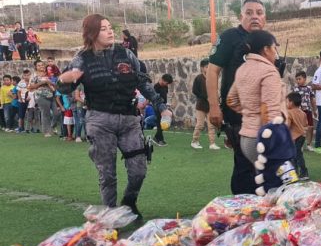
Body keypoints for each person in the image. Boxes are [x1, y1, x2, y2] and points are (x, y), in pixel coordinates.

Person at [58, 13, 171, 218]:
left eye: (110, 27)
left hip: (129, 119)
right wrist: (63, 79)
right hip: (100, 120)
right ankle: (110, 214)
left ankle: (129, 201)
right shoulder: (81, 59)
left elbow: (143, 82)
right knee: (107, 173)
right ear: (91, 33)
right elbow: (65, 88)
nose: (110, 31)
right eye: (103, 28)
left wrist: (161, 106)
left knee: (139, 170)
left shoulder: (126, 54)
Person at [207, 0, 267, 195]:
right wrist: (214, 107)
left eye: (259, 12)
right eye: (249, 13)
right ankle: (242, 212)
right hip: (239, 115)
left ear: (264, 17)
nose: (255, 17)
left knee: (262, 165)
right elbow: (212, 71)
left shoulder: (266, 42)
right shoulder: (230, 37)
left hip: (264, 115)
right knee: (245, 166)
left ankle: (258, 210)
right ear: (241, 16)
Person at [226, 30, 286, 167]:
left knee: (261, 182)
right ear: (266, 49)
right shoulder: (269, 71)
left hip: (246, 138)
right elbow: (269, 112)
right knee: (277, 185)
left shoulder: (242, 69)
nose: (275, 52)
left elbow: (231, 100)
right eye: (274, 48)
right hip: (264, 138)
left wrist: (250, 111)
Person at [191, 59, 219, 150]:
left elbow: (215, 90)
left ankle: (212, 144)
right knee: (200, 125)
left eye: (210, 66)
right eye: (207, 67)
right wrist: (204, 97)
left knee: (211, 125)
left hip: (210, 106)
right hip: (201, 106)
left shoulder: (212, 77)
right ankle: (194, 141)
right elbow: (195, 91)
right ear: (202, 68)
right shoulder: (198, 78)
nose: (209, 68)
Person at [286, 92, 309, 180]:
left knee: (295, 155)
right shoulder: (303, 113)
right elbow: (306, 124)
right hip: (302, 136)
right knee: (297, 154)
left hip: (295, 137)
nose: (286, 103)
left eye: (287, 101)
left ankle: (302, 173)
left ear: (291, 103)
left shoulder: (289, 113)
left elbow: (287, 126)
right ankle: (297, 173)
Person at [292, 71, 316, 151]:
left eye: (299, 79)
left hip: (308, 111)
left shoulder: (309, 88)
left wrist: (314, 110)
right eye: (297, 79)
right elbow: (292, 101)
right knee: (299, 128)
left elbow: (312, 99)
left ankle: (309, 144)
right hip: (299, 112)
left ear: (305, 79)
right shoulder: (295, 89)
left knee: (310, 127)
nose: (298, 81)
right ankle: (300, 145)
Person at [152, 74, 173, 147]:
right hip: (157, 106)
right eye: (167, 83)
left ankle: (157, 138)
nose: (167, 84)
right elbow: (154, 98)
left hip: (163, 106)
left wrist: (166, 105)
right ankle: (160, 139)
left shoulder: (165, 86)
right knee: (159, 123)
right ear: (163, 80)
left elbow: (165, 96)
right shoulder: (156, 87)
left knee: (162, 123)